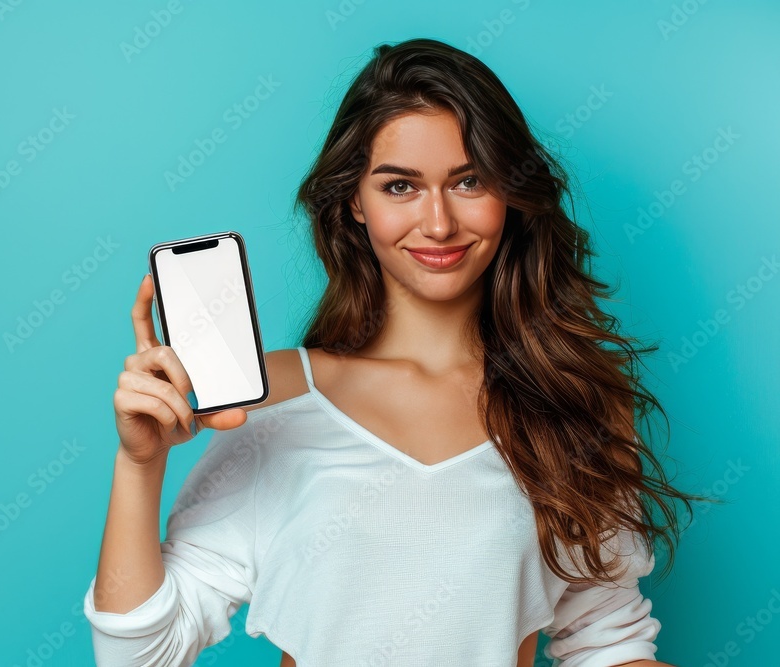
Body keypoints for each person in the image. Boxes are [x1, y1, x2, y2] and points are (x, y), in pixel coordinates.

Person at [82, 37, 706, 666]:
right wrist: (139, 465)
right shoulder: (275, 400)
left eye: (469, 181)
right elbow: (142, 656)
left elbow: (607, 642)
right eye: (400, 186)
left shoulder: (573, 399)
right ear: (355, 200)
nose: (438, 223)